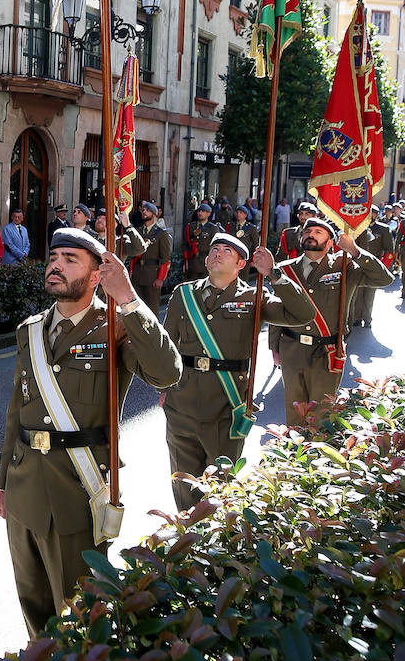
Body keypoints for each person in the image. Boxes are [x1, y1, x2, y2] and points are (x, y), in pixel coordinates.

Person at [0, 228, 181, 637]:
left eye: (71, 259)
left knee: (80, 610)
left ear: (97, 276)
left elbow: (168, 374)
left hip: (79, 488)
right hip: (25, 486)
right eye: (54, 256)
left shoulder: (115, 326)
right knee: (33, 604)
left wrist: (129, 300)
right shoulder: (30, 331)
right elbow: (16, 413)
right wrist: (3, 483)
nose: (56, 264)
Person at [161, 233, 316, 512]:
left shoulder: (254, 297)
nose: (218, 253)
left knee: (221, 485)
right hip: (181, 403)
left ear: (242, 263)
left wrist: (274, 274)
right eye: (214, 249)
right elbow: (166, 347)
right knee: (183, 484)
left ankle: (214, 547)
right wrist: (162, 389)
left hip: (227, 406)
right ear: (207, 260)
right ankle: (186, 540)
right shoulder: (183, 294)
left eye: (227, 251)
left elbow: (303, 314)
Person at [272, 214, 393, 427]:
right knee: (294, 414)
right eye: (308, 232)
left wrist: (355, 251)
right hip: (291, 348)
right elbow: (277, 310)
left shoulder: (344, 266)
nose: (311, 235)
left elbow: (384, 279)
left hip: (326, 352)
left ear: (330, 242)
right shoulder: (285, 269)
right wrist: (274, 346)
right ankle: (291, 458)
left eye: (318, 232)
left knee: (321, 416)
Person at [130, 200, 171, 314]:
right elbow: (132, 254)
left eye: (147, 210)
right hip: (138, 274)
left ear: (153, 214)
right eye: (143, 210)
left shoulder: (161, 234)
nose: (144, 212)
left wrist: (160, 278)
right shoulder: (137, 232)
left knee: (152, 308)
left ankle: (153, 331)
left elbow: (165, 259)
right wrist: (131, 272)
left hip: (152, 275)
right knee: (137, 308)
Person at [183, 200, 217, 279]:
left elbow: (216, 245)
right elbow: (186, 243)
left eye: (203, 211)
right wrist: (185, 261)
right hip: (193, 261)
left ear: (208, 214)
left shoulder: (213, 228)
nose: (200, 213)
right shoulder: (191, 226)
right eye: (199, 211)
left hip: (206, 261)